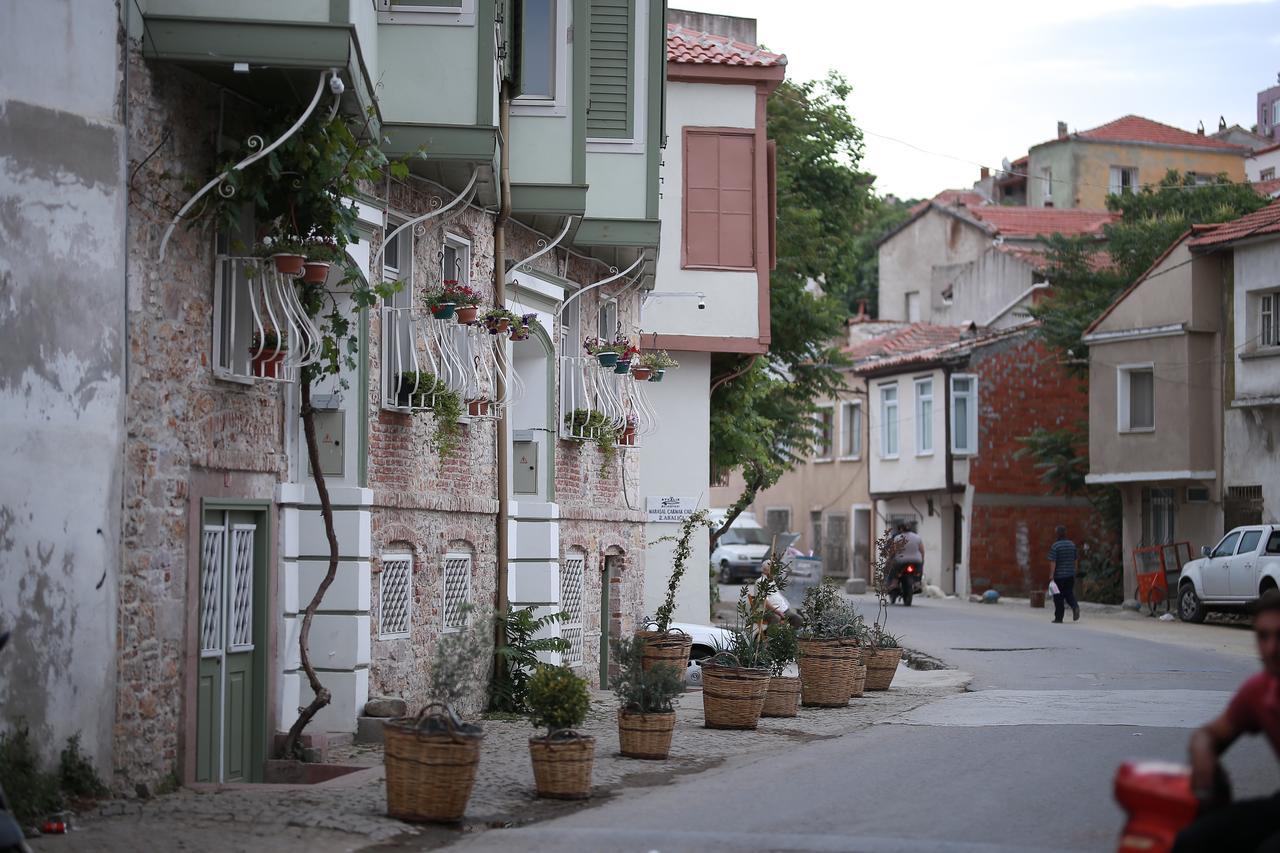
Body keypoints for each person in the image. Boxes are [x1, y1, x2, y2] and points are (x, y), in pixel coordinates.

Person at [1172, 591, 1280, 852]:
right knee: (1191, 840)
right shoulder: (1259, 690)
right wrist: (1203, 753)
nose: (1271, 649)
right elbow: (1211, 734)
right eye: (1263, 637)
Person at [1047, 525, 1080, 623]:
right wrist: (1075, 571)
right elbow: (1076, 559)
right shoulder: (1072, 544)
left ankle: (1059, 617)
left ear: (1057, 534)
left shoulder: (1055, 546)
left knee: (1058, 597)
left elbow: (1053, 561)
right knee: (1069, 593)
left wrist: (1051, 574)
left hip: (1059, 576)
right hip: (1070, 574)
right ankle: (1075, 606)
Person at [891, 522, 925, 593]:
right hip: (916, 561)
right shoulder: (917, 537)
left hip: (901, 561)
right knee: (918, 571)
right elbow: (922, 550)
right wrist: (922, 560)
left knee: (894, 570)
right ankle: (917, 583)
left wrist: (891, 558)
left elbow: (893, 551)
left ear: (901, 529)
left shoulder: (897, 538)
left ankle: (895, 584)